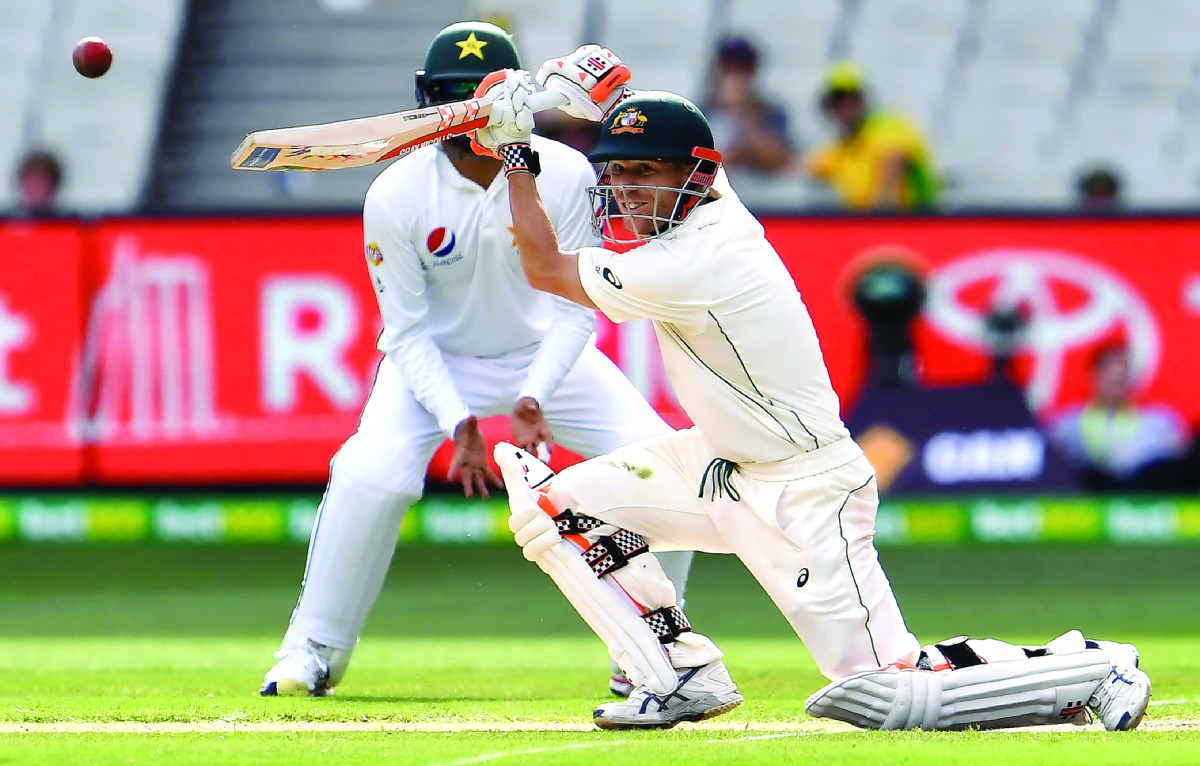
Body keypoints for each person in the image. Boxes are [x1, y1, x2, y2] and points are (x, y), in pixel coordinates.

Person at [470, 67, 1150, 731]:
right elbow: (665, 123)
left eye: (644, 173)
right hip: (717, 467)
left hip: (804, 490)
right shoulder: (717, 195)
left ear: (695, 178)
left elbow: (542, 266)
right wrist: (600, 87)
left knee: (889, 689)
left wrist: (516, 156)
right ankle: (676, 672)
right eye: (616, 171)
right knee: (555, 508)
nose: (624, 190)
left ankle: (1091, 667)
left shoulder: (689, 262)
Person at [258, 23, 693, 699]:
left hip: (544, 357)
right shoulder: (397, 194)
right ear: (426, 103)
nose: (468, 116)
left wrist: (535, 394)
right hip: (434, 364)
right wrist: (459, 419)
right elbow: (403, 333)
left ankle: (651, 649)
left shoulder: (567, 173)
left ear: (513, 98)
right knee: (370, 476)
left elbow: (578, 307)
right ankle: (312, 650)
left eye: (482, 99)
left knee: (663, 464)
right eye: (450, 100)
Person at [1049, 341, 1190, 491]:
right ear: (1094, 377)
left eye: (1120, 380)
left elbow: (1183, 465)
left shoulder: (1161, 423)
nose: (1116, 389)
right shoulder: (1067, 426)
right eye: (1111, 380)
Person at [803, 62, 938, 211]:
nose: (846, 106)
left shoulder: (888, 125)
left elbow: (894, 157)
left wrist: (884, 201)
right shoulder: (840, 147)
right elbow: (802, 166)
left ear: (862, 99)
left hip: (913, 223)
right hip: (870, 226)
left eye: (852, 97)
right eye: (838, 99)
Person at [700, 36, 793, 175]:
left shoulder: (771, 112)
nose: (736, 76)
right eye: (728, 68)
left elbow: (777, 160)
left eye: (743, 69)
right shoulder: (698, 111)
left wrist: (741, 112)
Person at [15, 150, 63, 216]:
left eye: (41, 182)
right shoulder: (6, 221)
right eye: (31, 181)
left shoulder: (71, 222)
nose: (35, 187)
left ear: (53, 186)